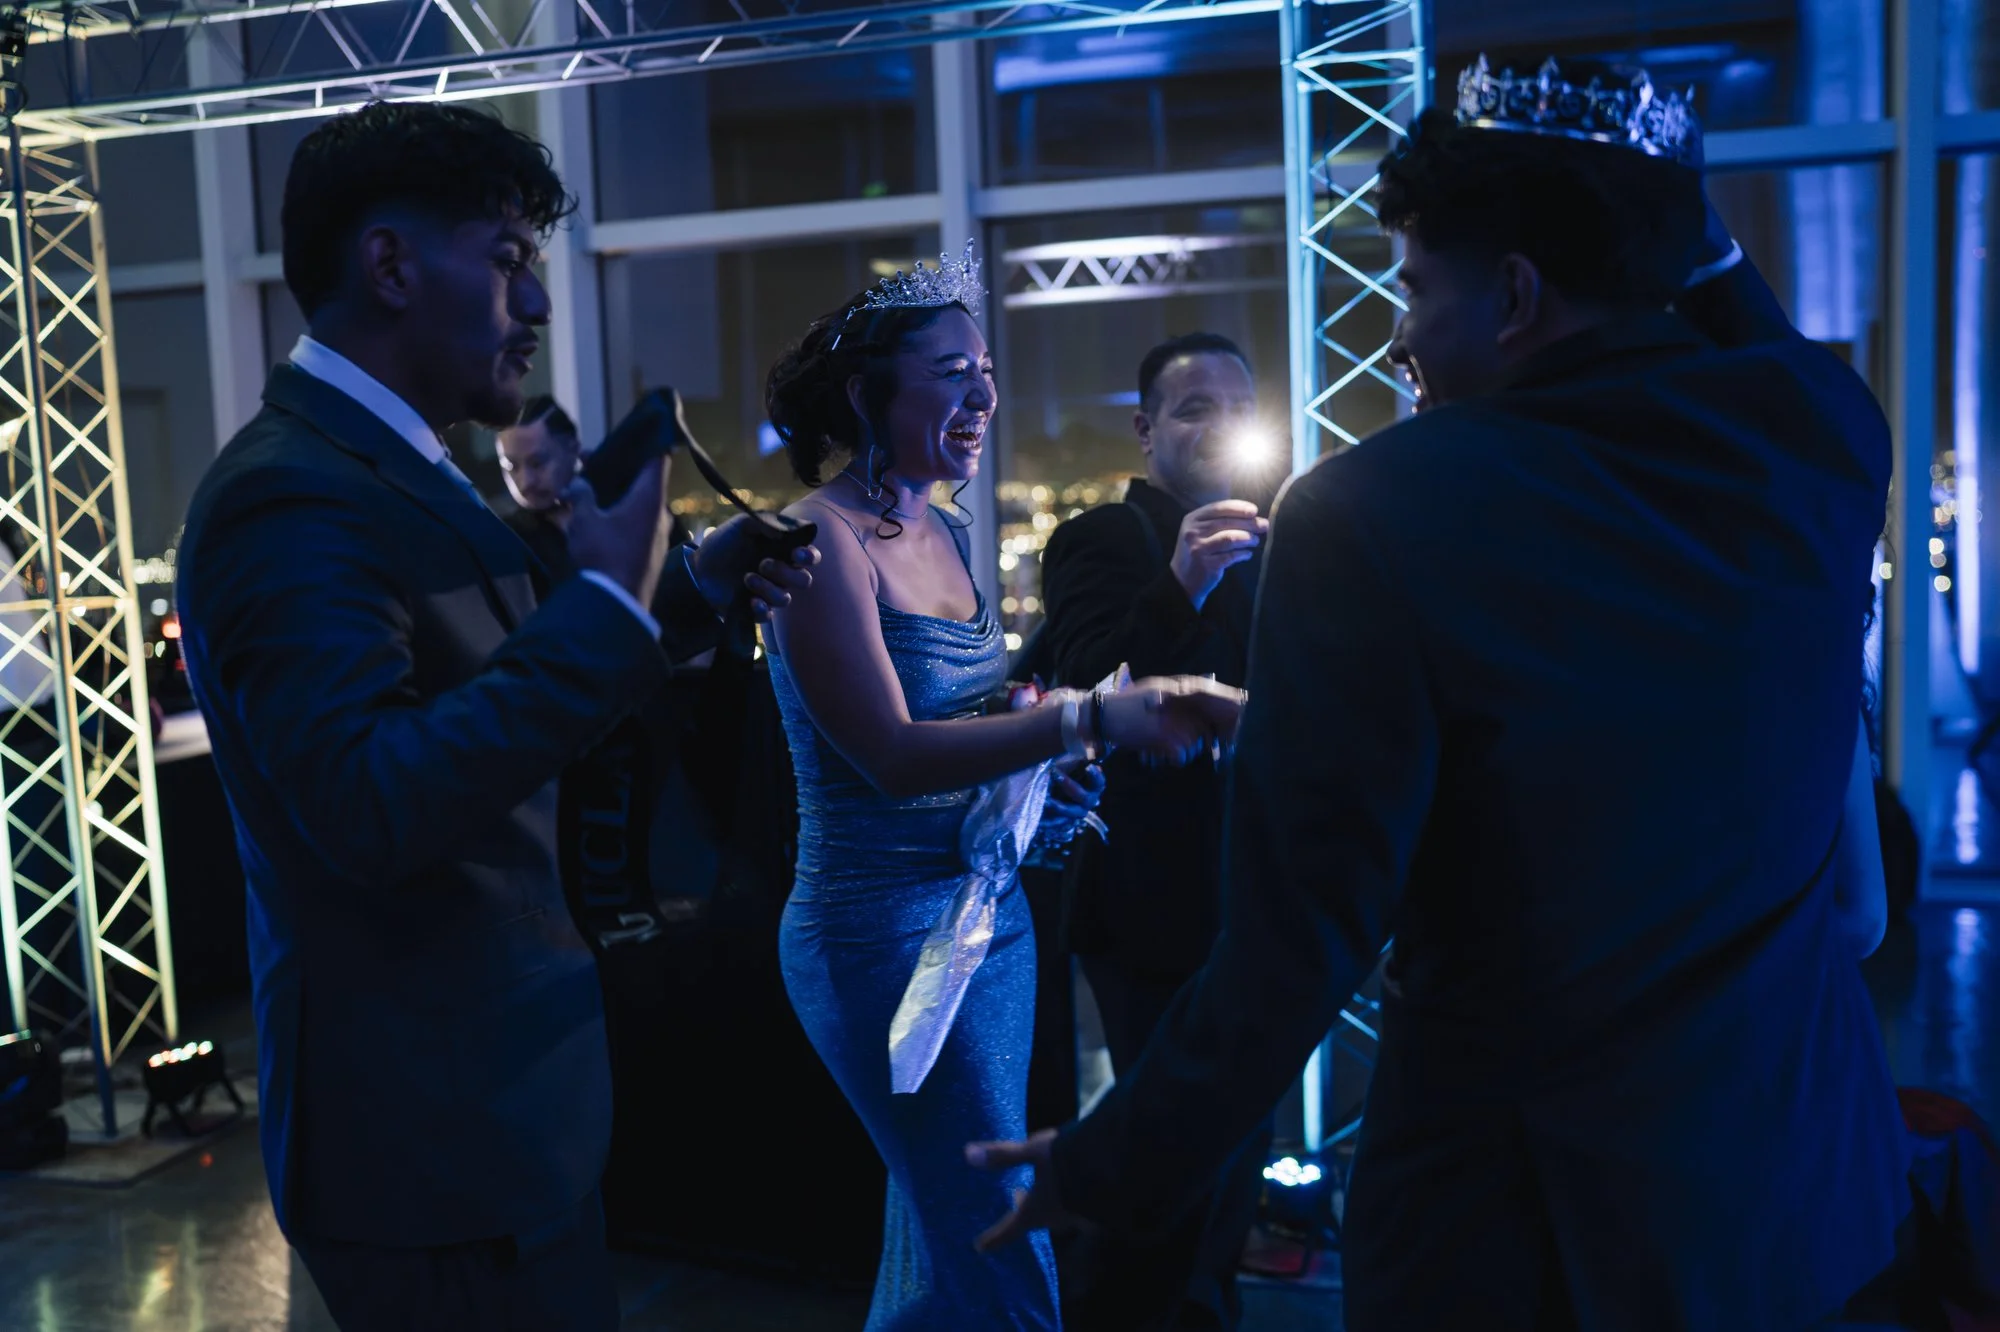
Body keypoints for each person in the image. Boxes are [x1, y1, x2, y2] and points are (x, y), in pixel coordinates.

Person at [971, 58, 1910, 1331]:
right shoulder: (1818, 433)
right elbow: (1748, 329)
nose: (1396, 329)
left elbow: (1297, 943)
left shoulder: (1374, 508)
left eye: (1411, 286)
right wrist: (1651, 199)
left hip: (1525, 1230)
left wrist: (1107, 1161)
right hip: (1794, 1191)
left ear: (1514, 294)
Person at [175, 101, 816, 1331]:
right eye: (509, 258)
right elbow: (370, 802)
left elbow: (493, 688)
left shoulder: (393, 471)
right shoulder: (287, 498)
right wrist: (602, 609)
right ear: (392, 265)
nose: (534, 305)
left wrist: (680, 592)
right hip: (427, 1140)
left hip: (500, 1112)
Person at [760, 245, 1245, 1330]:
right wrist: (1078, 719)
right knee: (994, 1235)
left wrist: (1041, 782)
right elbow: (887, 753)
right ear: (864, 393)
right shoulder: (816, 543)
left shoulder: (945, 528)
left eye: (985, 371)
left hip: (989, 923)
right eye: (950, 372)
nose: (982, 395)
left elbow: (976, 722)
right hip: (878, 934)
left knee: (943, 1243)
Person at [1036, 331, 1271, 1332]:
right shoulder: (1101, 540)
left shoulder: (1283, 542)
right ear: (1145, 431)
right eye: (1190, 407)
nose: (1214, 425)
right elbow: (1088, 694)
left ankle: (1199, 1311)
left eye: (1232, 405)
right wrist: (1181, 584)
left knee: (1237, 1155)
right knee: (1170, 1148)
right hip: (1148, 901)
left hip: (1259, 893)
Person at [498, 392, 585, 578]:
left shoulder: (616, 514)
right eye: (511, 466)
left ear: (573, 449)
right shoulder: (506, 540)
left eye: (537, 463)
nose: (526, 482)